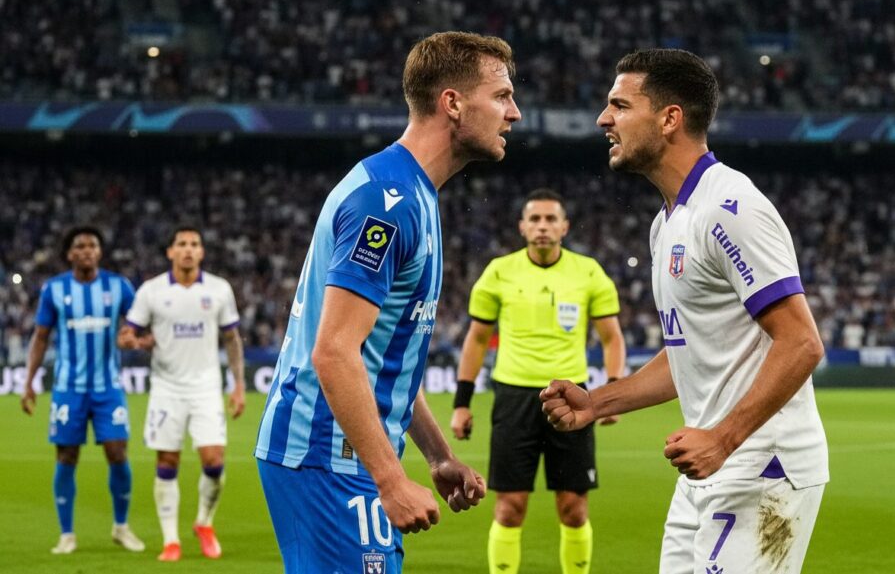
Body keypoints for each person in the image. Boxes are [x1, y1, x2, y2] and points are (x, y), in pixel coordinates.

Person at [540, 49, 829, 573]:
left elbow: (802, 342)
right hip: (708, 469)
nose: (604, 119)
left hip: (763, 467)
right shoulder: (667, 223)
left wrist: (722, 438)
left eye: (620, 105)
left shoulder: (730, 208)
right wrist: (597, 404)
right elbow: (687, 356)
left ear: (670, 118)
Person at [254, 31, 521, 573]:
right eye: (501, 96)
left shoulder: (411, 193)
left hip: (340, 454)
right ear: (452, 102)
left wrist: (437, 455)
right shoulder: (386, 203)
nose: (514, 112)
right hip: (324, 455)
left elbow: (380, 357)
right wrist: (391, 478)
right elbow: (334, 352)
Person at [450, 187, 625, 574]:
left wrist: (611, 394)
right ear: (522, 227)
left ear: (564, 227)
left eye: (550, 220)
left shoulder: (588, 271)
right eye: (535, 219)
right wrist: (462, 403)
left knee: (574, 509)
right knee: (509, 508)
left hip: (571, 398)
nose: (542, 226)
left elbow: (612, 337)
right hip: (513, 397)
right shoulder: (499, 271)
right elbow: (477, 339)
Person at [118, 226, 246, 561]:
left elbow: (232, 340)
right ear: (170, 252)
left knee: (214, 461)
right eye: (182, 244)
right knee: (167, 460)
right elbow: (131, 333)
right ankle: (171, 540)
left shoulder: (219, 289)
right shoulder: (151, 290)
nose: (188, 249)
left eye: (194, 244)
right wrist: (132, 340)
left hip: (205, 386)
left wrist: (239, 385)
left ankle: (204, 522)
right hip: (166, 387)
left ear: (202, 252)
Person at [20, 226, 145, 555]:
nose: (87, 250)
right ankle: (67, 534)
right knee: (66, 456)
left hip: (109, 388)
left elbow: (140, 325)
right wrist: (29, 381)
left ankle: (121, 526)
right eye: (80, 246)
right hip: (68, 389)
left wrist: (135, 338)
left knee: (118, 454)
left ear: (100, 252)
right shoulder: (54, 289)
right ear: (70, 254)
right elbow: (41, 336)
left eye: (93, 245)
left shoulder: (119, 287)